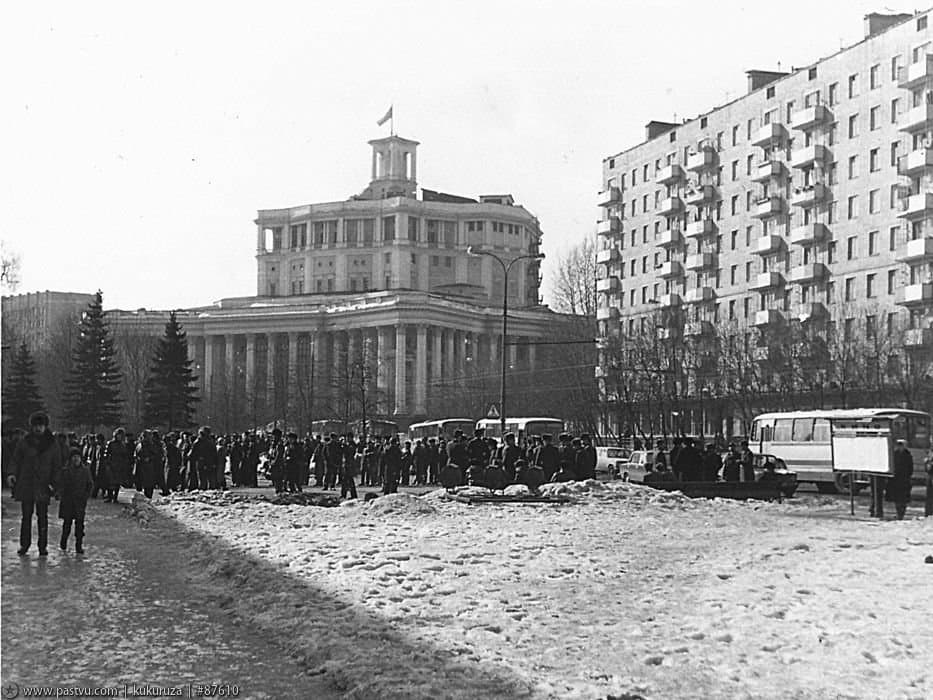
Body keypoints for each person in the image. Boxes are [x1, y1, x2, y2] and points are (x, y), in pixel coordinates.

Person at [9, 412, 62, 556]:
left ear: (45, 426)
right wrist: (12, 474)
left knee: (42, 518)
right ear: (32, 427)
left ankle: (42, 546)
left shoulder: (52, 444)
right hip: (27, 484)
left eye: (41, 426)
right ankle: (24, 544)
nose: (38, 428)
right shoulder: (24, 442)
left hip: (44, 485)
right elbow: (16, 459)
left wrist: (55, 484)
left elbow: (57, 465)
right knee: (26, 517)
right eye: (36, 426)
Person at [57, 448, 93, 553]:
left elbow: (90, 484)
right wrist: (60, 494)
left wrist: (85, 496)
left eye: (78, 457)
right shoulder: (65, 471)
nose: (76, 459)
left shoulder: (85, 471)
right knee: (67, 524)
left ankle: (78, 545)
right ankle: (63, 542)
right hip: (68, 501)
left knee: (79, 526)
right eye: (74, 457)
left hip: (80, 502)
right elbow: (61, 484)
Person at [889, 440, 913, 521]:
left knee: (903, 498)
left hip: (904, 480)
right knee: (896, 497)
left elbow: (910, 468)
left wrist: (907, 476)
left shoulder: (908, 455)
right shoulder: (894, 454)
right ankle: (898, 513)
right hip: (896, 479)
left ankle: (901, 513)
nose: (900, 447)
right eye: (898, 445)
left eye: (901, 445)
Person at [925, 446, 933, 518]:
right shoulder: (928, 459)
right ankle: (929, 513)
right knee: (929, 497)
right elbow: (927, 469)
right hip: (930, 478)